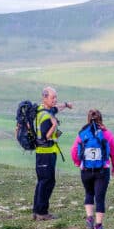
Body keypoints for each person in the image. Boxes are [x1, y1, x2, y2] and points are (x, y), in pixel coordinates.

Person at [71, 109, 114, 229]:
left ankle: (89, 219)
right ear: (101, 119)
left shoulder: (82, 134)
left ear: (88, 119)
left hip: (86, 171)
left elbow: (74, 150)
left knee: (89, 193)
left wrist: (78, 163)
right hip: (102, 172)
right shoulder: (107, 134)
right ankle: (98, 227)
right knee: (100, 198)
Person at [33, 86, 73, 221]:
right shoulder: (45, 116)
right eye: (53, 97)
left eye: (56, 97)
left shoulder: (46, 110)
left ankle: (37, 211)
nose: (55, 100)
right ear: (44, 98)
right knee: (47, 182)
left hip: (47, 153)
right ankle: (42, 213)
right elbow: (45, 137)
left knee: (42, 182)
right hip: (45, 153)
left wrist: (66, 105)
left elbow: (56, 109)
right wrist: (54, 126)